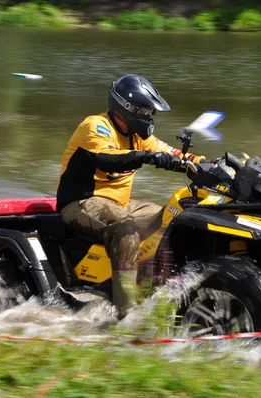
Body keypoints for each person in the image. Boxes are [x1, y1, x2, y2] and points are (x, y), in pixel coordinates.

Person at [57, 74, 206, 319]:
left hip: (121, 204)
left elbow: (171, 153)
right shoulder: (95, 125)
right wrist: (144, 157)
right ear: (126, 108)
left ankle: (157, 289)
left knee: (173, 217)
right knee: (125, 229)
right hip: (80, 202)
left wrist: (206, 164)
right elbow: (105, 156)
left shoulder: (139, 136)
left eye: (150, 112)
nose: (149, 116)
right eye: (145, 110)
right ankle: (127, 314)